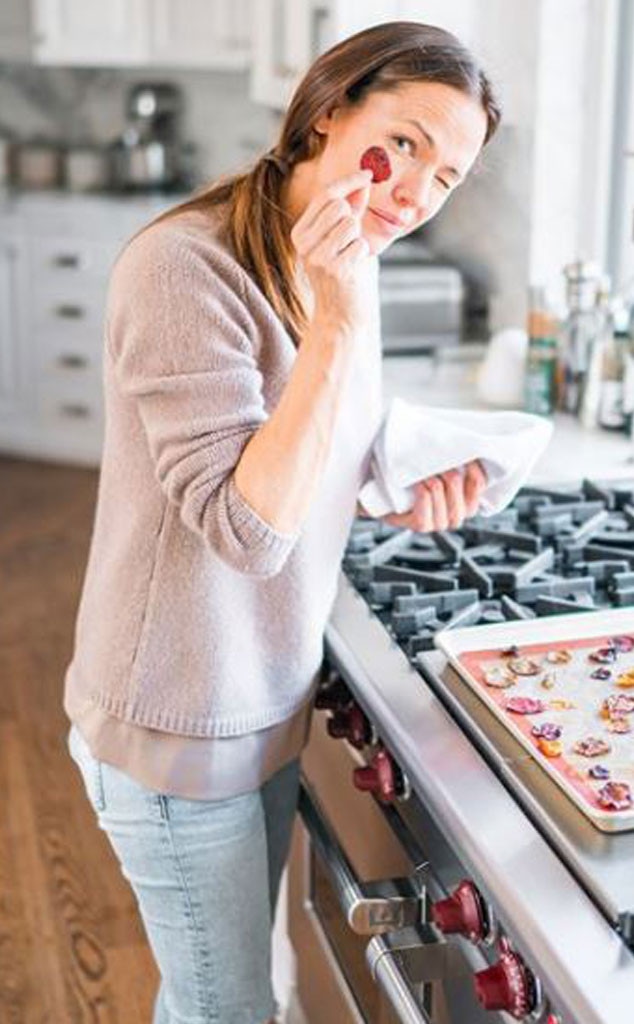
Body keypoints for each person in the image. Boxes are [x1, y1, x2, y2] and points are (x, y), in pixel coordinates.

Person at [65, 20, 500, 1024]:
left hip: (263, 695)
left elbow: (317, 440)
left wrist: (394, 482)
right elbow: (244, 528)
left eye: (446, 179)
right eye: (406, 146)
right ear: (330, 110)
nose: (414, 193)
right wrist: (340, 318)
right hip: (176, 717)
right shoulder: (184, 270)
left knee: (229, 993)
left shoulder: (351, 254)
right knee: (227, 1011)